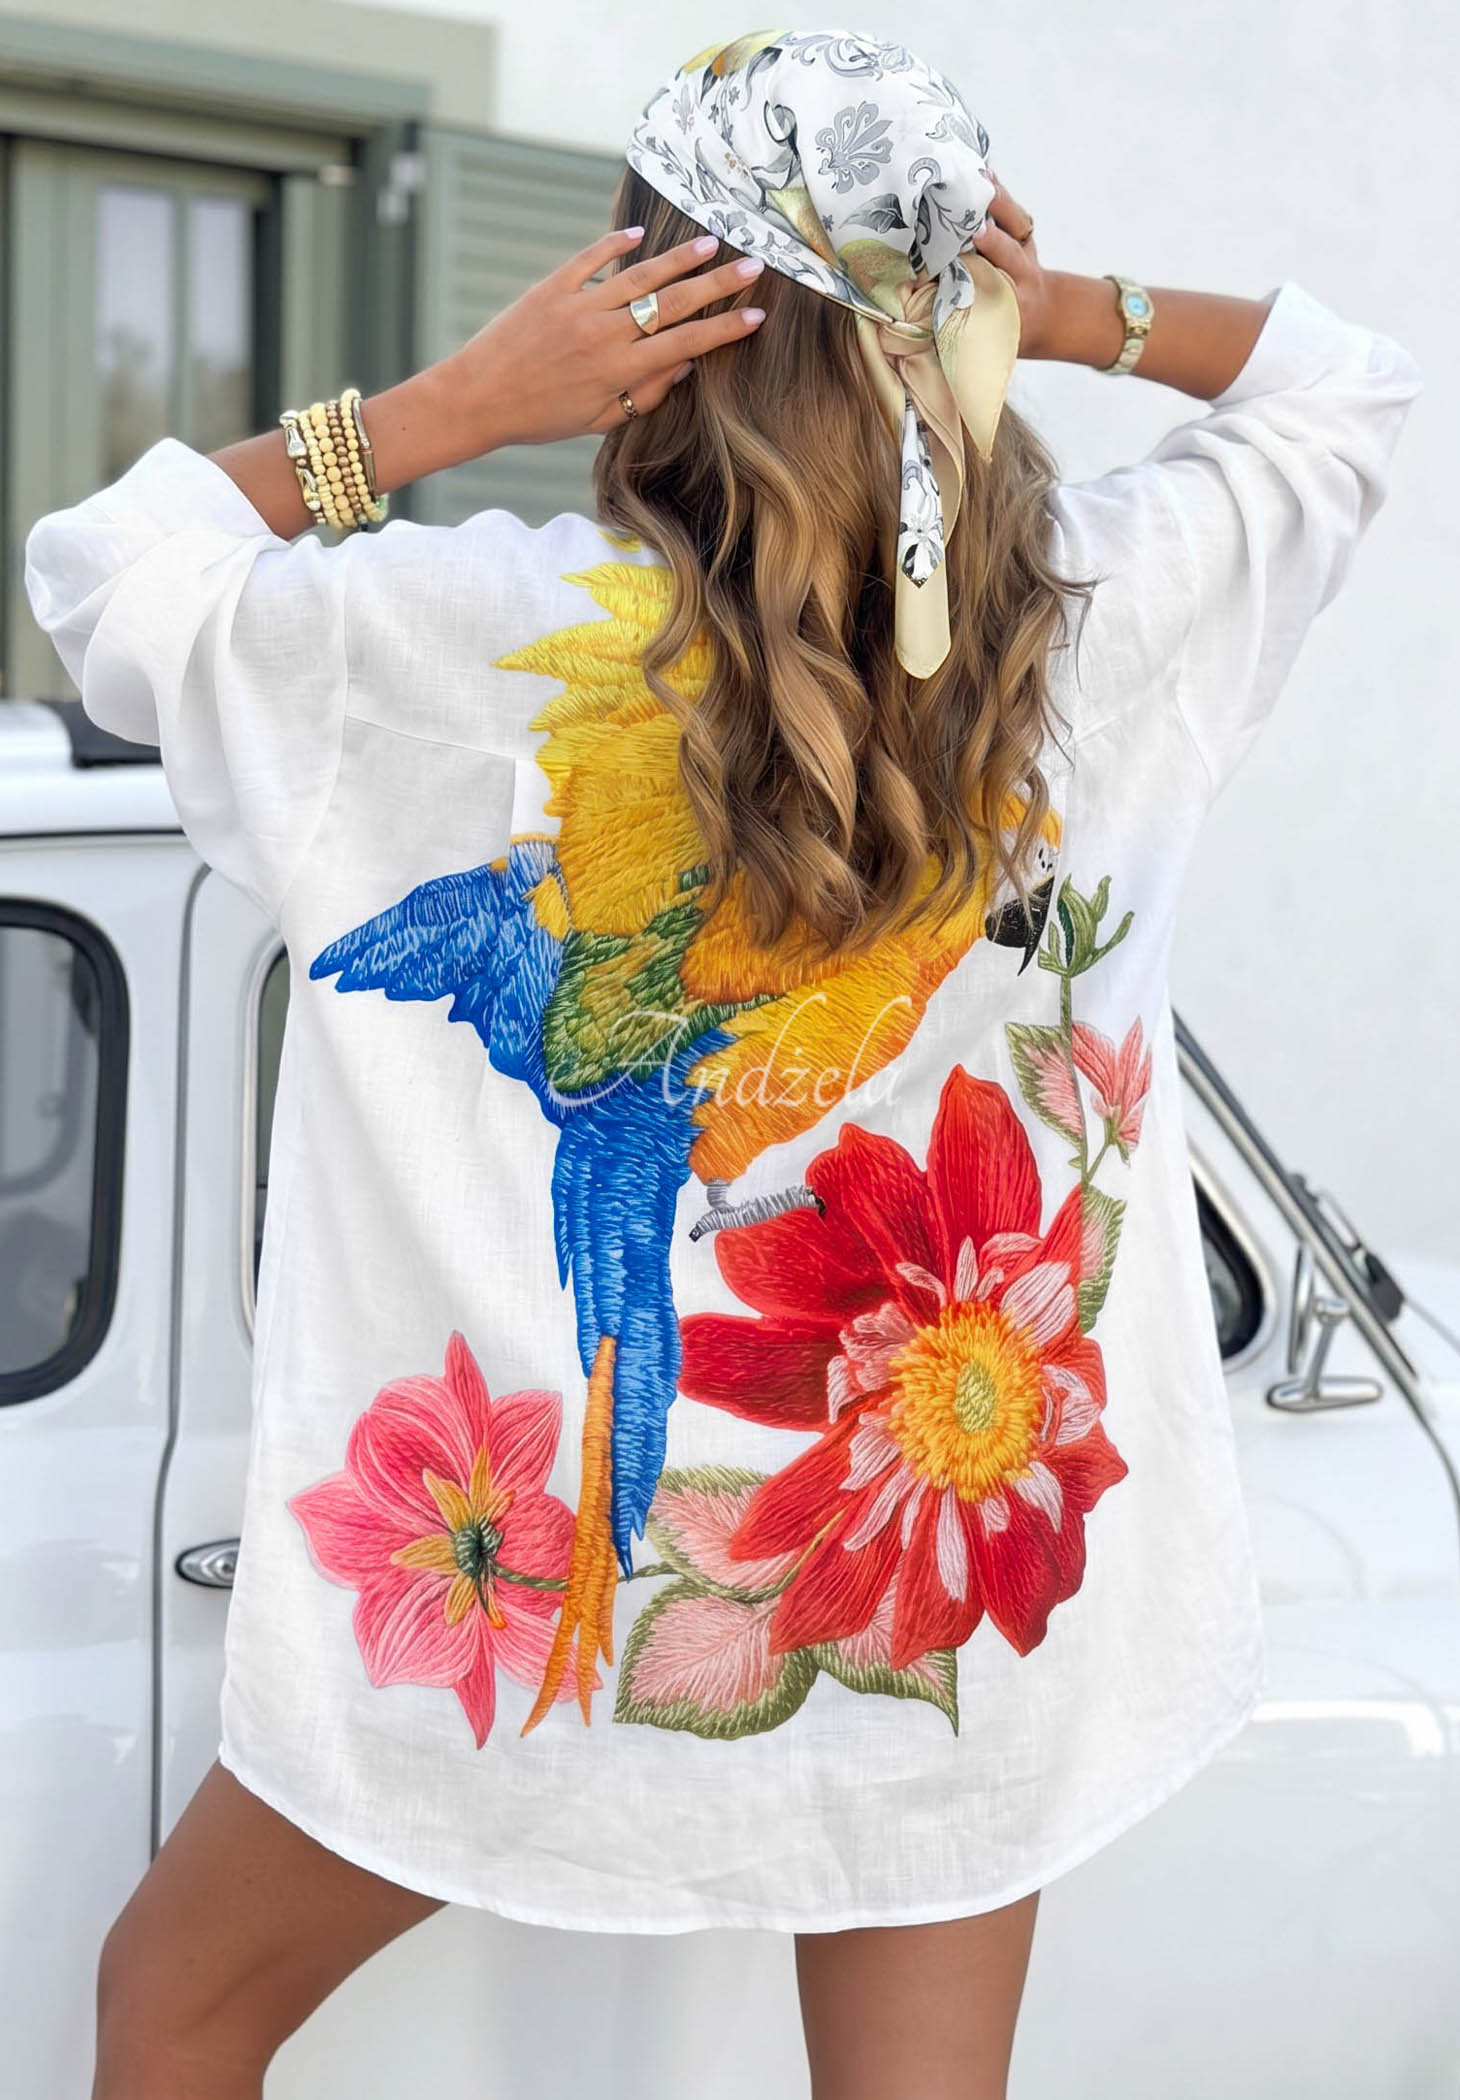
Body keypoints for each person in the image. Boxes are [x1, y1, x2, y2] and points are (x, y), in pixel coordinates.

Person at [25, 28, 1420, 2100]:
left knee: (174, 2004)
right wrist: (1052, 313)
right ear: (940, 314)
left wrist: (448, 406)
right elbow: (1344, 387)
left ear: (649, 313)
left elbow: (106, 571)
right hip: (925, 1575)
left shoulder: (466, 646)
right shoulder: (1090, 633)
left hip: (555, 1595)